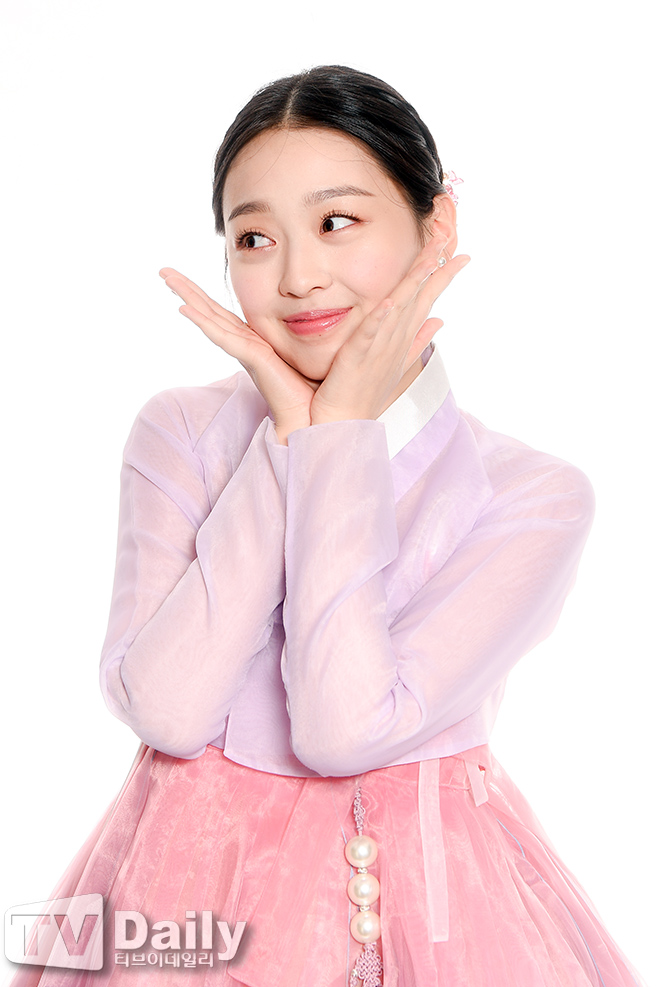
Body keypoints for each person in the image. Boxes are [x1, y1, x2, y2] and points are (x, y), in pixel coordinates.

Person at [9, 65, 646, 987]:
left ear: (437, 226)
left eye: (336, 221)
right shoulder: (180, 432)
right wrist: (292, 439)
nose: (298, 276)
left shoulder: (531, 494)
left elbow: (343, 727)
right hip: (185, 914)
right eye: (254, 237)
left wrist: (335, 435)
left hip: (437, 919)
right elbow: (169, 711)